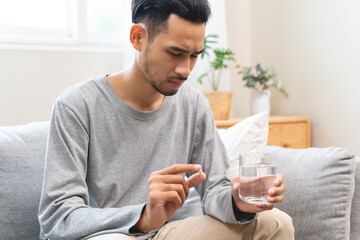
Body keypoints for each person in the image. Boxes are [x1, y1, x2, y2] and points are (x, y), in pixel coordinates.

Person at [38, 0, 294, 239]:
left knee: (276, 222)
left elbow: (215, 189)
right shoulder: (76, 105)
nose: (185, 70)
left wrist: (238, 203)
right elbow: (57, 217)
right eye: (175, 53)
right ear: (138, 37)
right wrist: (143, 216)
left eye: (194, 55)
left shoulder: (193, 105)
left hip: (169, 232)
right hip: (113, 233)